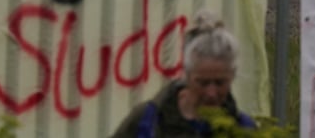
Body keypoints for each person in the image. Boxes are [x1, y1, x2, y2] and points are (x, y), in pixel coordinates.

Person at [110, 11, 257, 137]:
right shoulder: (148, 122)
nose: (211, 93)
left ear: (232, 77)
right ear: (186, 75)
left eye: (220, 83)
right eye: (203, 83)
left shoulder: (243, 130)